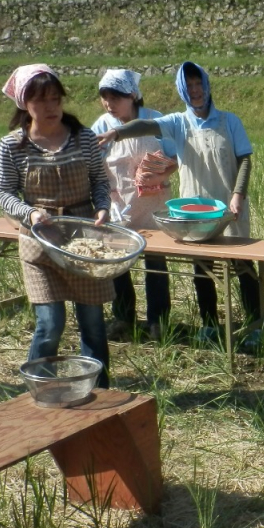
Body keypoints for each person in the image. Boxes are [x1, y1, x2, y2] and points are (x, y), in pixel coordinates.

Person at [97, 61, 260, 349]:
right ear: (182, 91)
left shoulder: (229, 121)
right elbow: (146, 125)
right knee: (202, 269)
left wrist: (238, 195)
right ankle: (210, 325)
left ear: (207, 86)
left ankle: (256, 325)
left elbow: (244, 159)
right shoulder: (178, 122)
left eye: (199, 84)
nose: (196, 91)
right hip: (194, 208)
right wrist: (117, 133)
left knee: (243, 266)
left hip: (229, 206)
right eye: (190, 86)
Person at [0, 64, 112, 387]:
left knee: (93, 322)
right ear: (24, 104)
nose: (51, 108)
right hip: (39, 243)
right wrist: (29, 213)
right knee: (49, 323)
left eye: (56, 99)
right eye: (41, 101)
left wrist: (102, 207)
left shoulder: (83, 137)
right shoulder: (11, 146)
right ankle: (41, 389)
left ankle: (99, 391)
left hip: (83, 242)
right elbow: (3, 192)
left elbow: (100, 181)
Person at [90, 68, 176, 341]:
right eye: (105, 98)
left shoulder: (156, 120)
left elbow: (178, 156)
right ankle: (123, 317)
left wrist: (164, 172)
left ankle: (158, 322)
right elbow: (92, 164)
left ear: (133, 96)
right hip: (119, 204)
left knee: (155, 264)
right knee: (118, 265)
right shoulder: (101, 126)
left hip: (154, 203)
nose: (109, 104)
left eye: (116, 97)